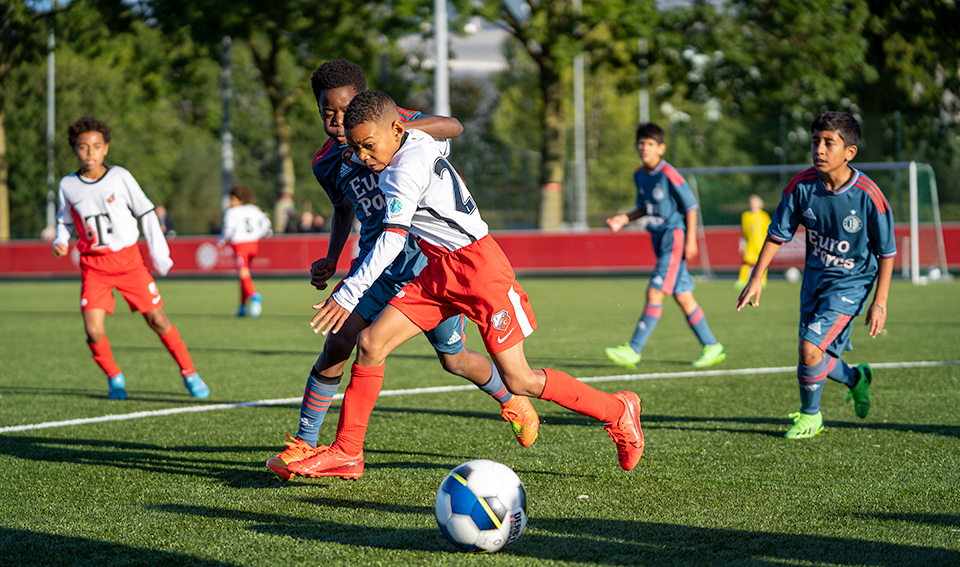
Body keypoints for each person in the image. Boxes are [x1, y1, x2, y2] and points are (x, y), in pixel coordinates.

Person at [285, 90, 643, 480]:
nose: (363, 157)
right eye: (356, 149)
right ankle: (348, 452)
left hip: (480, 271)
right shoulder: (415, 140)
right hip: (438, 270)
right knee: (371, 344)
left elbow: (392, 238)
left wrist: (350, 290)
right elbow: (443, 133)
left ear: (395, 128)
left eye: (369, 146)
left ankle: (617, 410)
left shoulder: (401, 172)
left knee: (520, 379)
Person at [265, 62, 540, 480]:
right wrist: (332, 257)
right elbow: (343, 210)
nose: (337, 122)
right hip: (375, 266)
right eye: (327, 113)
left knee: (455, 361)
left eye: (344, 111)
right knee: (339, 343)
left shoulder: (396, 127)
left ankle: (512, 399)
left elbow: (453, 126)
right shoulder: (325, 163)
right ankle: (306, 441)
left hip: (425, 265)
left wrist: (404, 126)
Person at [737, 111, 896, 439]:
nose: (819, 150)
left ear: (849, 152)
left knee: (809, 349)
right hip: (814, 280)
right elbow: (777, 234)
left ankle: (812, 416)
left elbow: (887, 253)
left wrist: (879, 302)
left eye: (829, 143)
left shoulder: (869, 195)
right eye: (815, 142)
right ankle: (856, 379)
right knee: (813, 354)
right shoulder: (801, 186)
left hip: (852, 282)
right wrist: (755, 277)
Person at [51, 115, 210, 400]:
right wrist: (60, 240)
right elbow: (64, 221)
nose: (90, 153)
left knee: (158, 320)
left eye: (96, 146)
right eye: (83, 147)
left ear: (106, 148)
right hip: (93, 267)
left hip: (128, 262)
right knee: (93, 330)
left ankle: (189, 372)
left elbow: (146, 212)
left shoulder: (120, 177)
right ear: (74, 149)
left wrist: (160, 253)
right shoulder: (67, 185)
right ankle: (115, 377)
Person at [604, 123, 726, 370]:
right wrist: (624, 218)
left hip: (675, 237)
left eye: (650, 144)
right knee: (683, 297)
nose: (644, 148)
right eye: (641, 144)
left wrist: (691, 240)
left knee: (655, 291)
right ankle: (712, 346)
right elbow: (644, 207)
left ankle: (633, 349)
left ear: (661, 148)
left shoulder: (669, 173)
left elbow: (691, 207)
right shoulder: (640, 175)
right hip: (658, 239)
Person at [216, 184, 272, 318]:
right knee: (245, 276)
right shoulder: (253, 209)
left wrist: (220, 241)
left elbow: (228, 230)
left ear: (240, 200)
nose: (230, 202)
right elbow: (266, 223)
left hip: (240, 245)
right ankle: (242, 307)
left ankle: (254, 296)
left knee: (243, 274)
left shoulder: (231, 212)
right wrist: (257, 235)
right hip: (253, 245)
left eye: (232, 199)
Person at [736, 194, 770, 288]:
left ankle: (762, 280)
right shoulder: (745, 216)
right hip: (750, 244)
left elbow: (769, 231)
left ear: (760, 204)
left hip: (761, 244)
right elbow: (743, 231)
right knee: (746, 261)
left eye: (755, 202)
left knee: (762, 261)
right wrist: (742, 243)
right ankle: (742, 280)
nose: (752, 204)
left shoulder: (764, 216)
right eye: (751, 202)